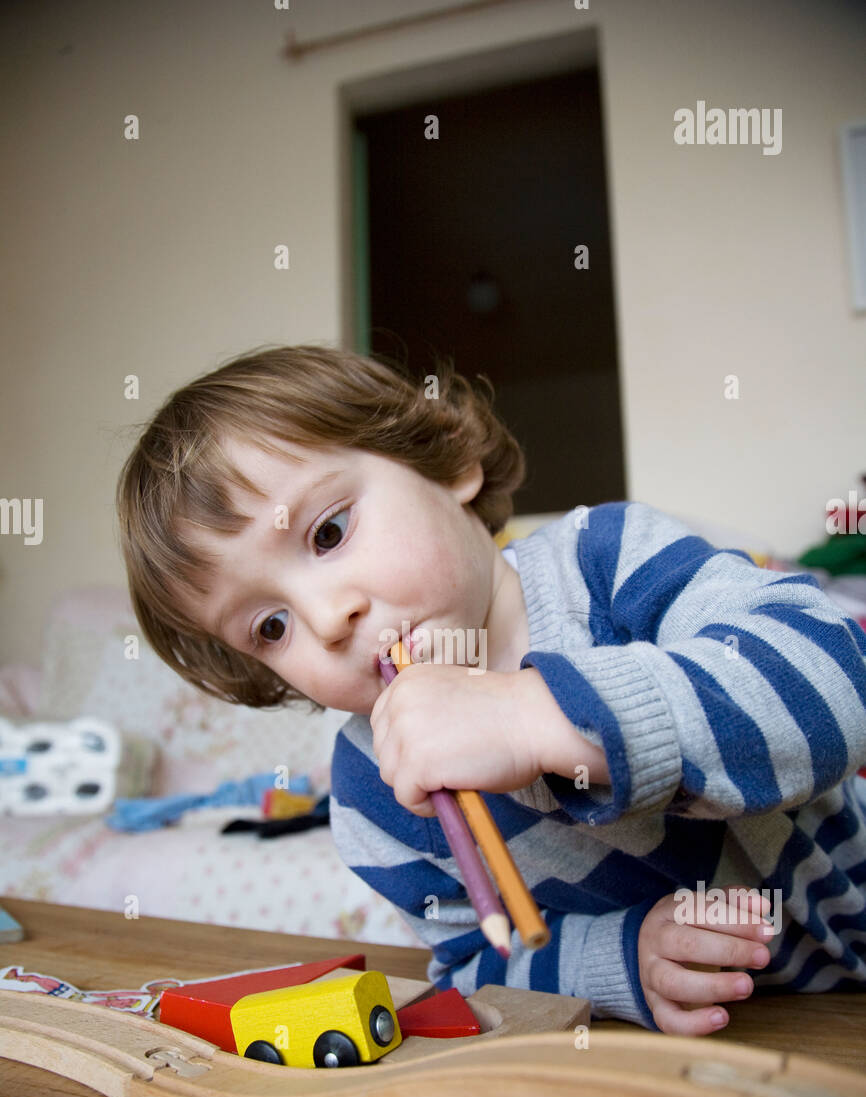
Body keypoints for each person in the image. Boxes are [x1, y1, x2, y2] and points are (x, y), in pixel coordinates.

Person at [115, 343, 866, 1033]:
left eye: (328, 533)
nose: (327, 619)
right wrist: (621, 958)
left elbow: (834, 678)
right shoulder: (373, 795)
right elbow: (477, 962)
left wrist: (541, 716)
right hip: (777, 1036)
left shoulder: (607, 562)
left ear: (446, 466)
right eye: (270, 627)